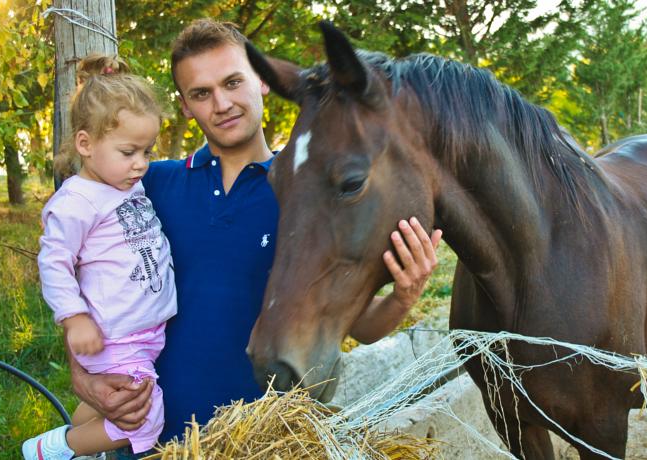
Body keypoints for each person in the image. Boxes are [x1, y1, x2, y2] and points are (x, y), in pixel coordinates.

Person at [67, 19, 442, 455]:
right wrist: (83, 377)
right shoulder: (151, 186)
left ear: (262, 83)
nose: (221, 103)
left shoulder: (307, 195)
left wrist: (403, 296)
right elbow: (84, 281)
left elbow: (362, 327)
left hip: (256, 443)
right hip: (148, 442)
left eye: (232, 82)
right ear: (186, 106)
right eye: (201, 93)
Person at [22, 55, 175, 459]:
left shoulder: (123, 183)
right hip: (114, 334)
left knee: (104, 400)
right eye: (128, 151)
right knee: (144, 415)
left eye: (146, 150)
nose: (141, 163)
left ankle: (84, 438)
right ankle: (53, 449)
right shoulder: (77, 201)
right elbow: (54, 261)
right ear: (85, 144)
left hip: (141, 333)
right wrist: (74, 318)